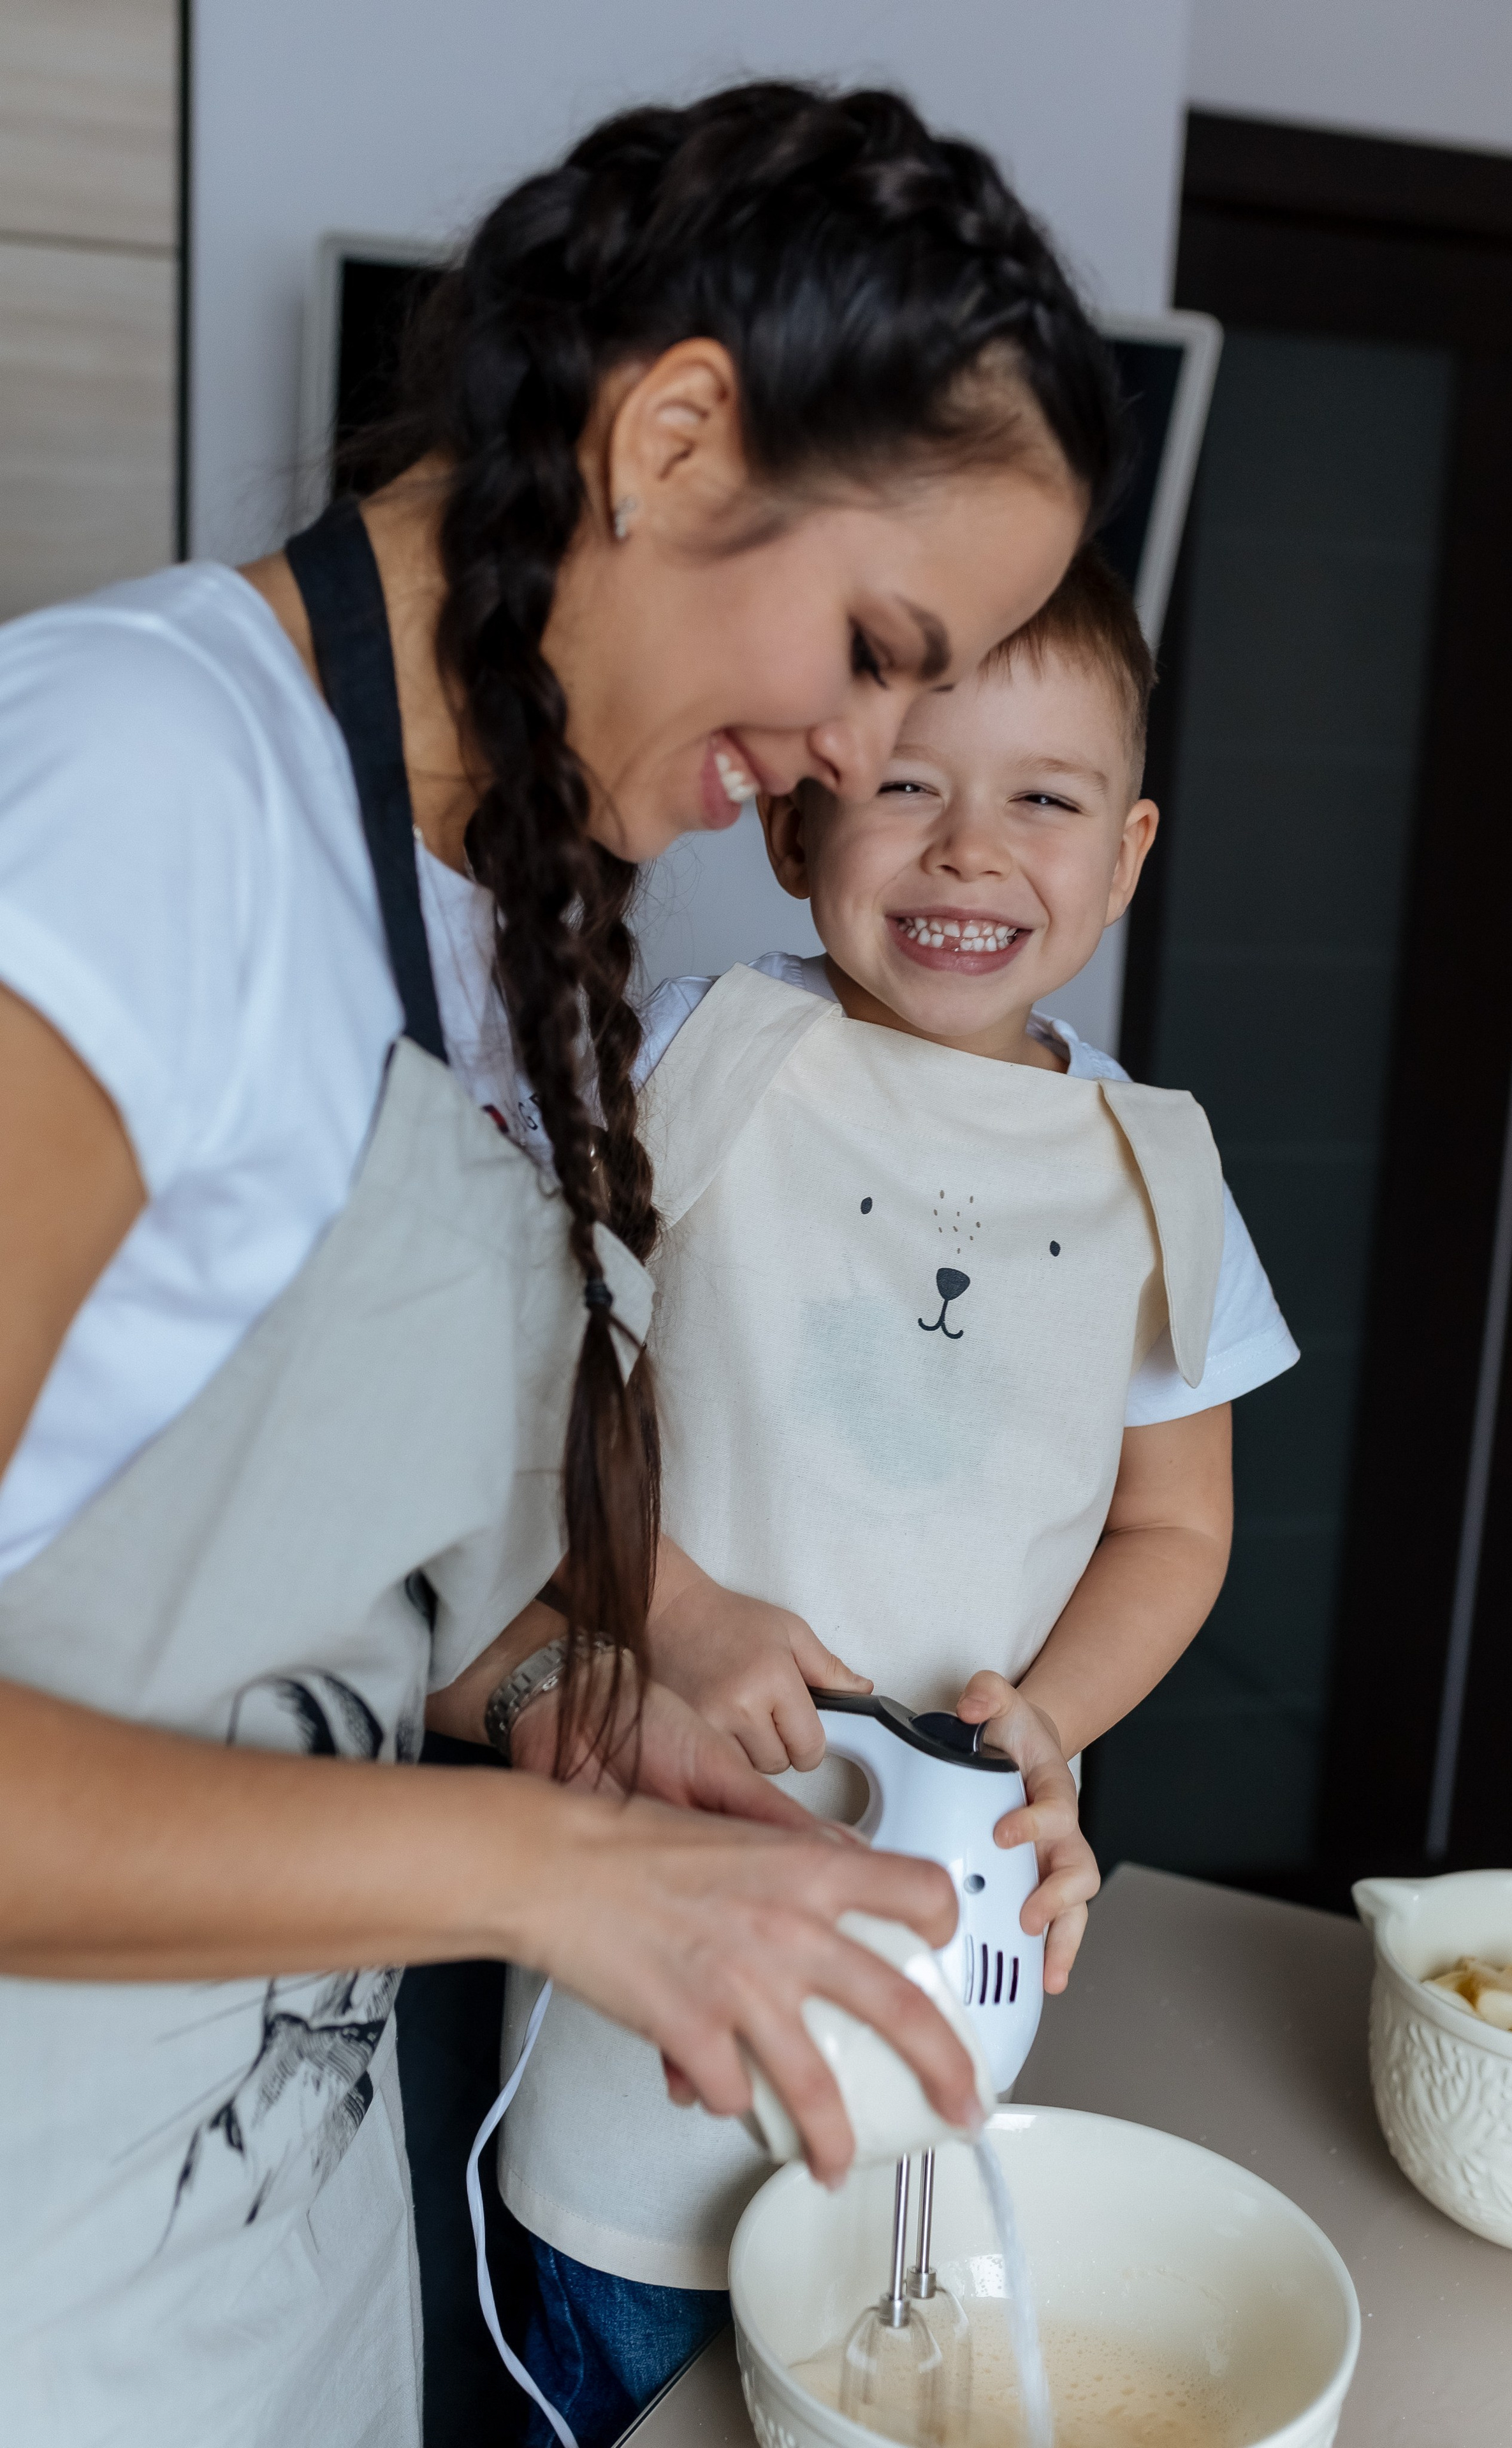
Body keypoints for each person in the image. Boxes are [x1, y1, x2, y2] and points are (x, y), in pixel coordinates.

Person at [0, 82, 1125, 2448]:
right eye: (871, 647)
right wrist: (553, 1871)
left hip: (261, 2268)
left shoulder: (486, 913)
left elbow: (264, 1608)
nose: (844, 754)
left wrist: (580, 1705)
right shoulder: (143, 803)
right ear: (678, 436)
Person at [499, 547, 1299, 2443]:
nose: (968, 852)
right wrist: (672, 1601)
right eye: (907, 785)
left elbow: (1176, 1528)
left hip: (948, 1922)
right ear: (792, 821)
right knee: (634, 2332)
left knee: (889, 2326)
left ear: (1127, 854)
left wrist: (1055, 1721)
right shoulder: (690, 1058)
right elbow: (496, 1396)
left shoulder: (1159, 1173)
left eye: (1045, 799)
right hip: (648, 1877)